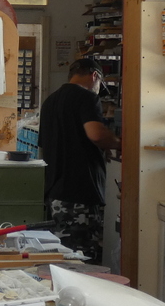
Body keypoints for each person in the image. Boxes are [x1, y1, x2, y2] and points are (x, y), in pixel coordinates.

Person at [39, 58, 121, 263]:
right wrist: (119, 143)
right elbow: (96, 134)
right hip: (79, 195)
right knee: (81, 260)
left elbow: (54, 143)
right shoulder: (86, 97)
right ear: (95, 75)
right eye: (100, 84)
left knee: (59, 257)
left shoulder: (50, 101)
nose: (98, 88)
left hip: (54, 193)